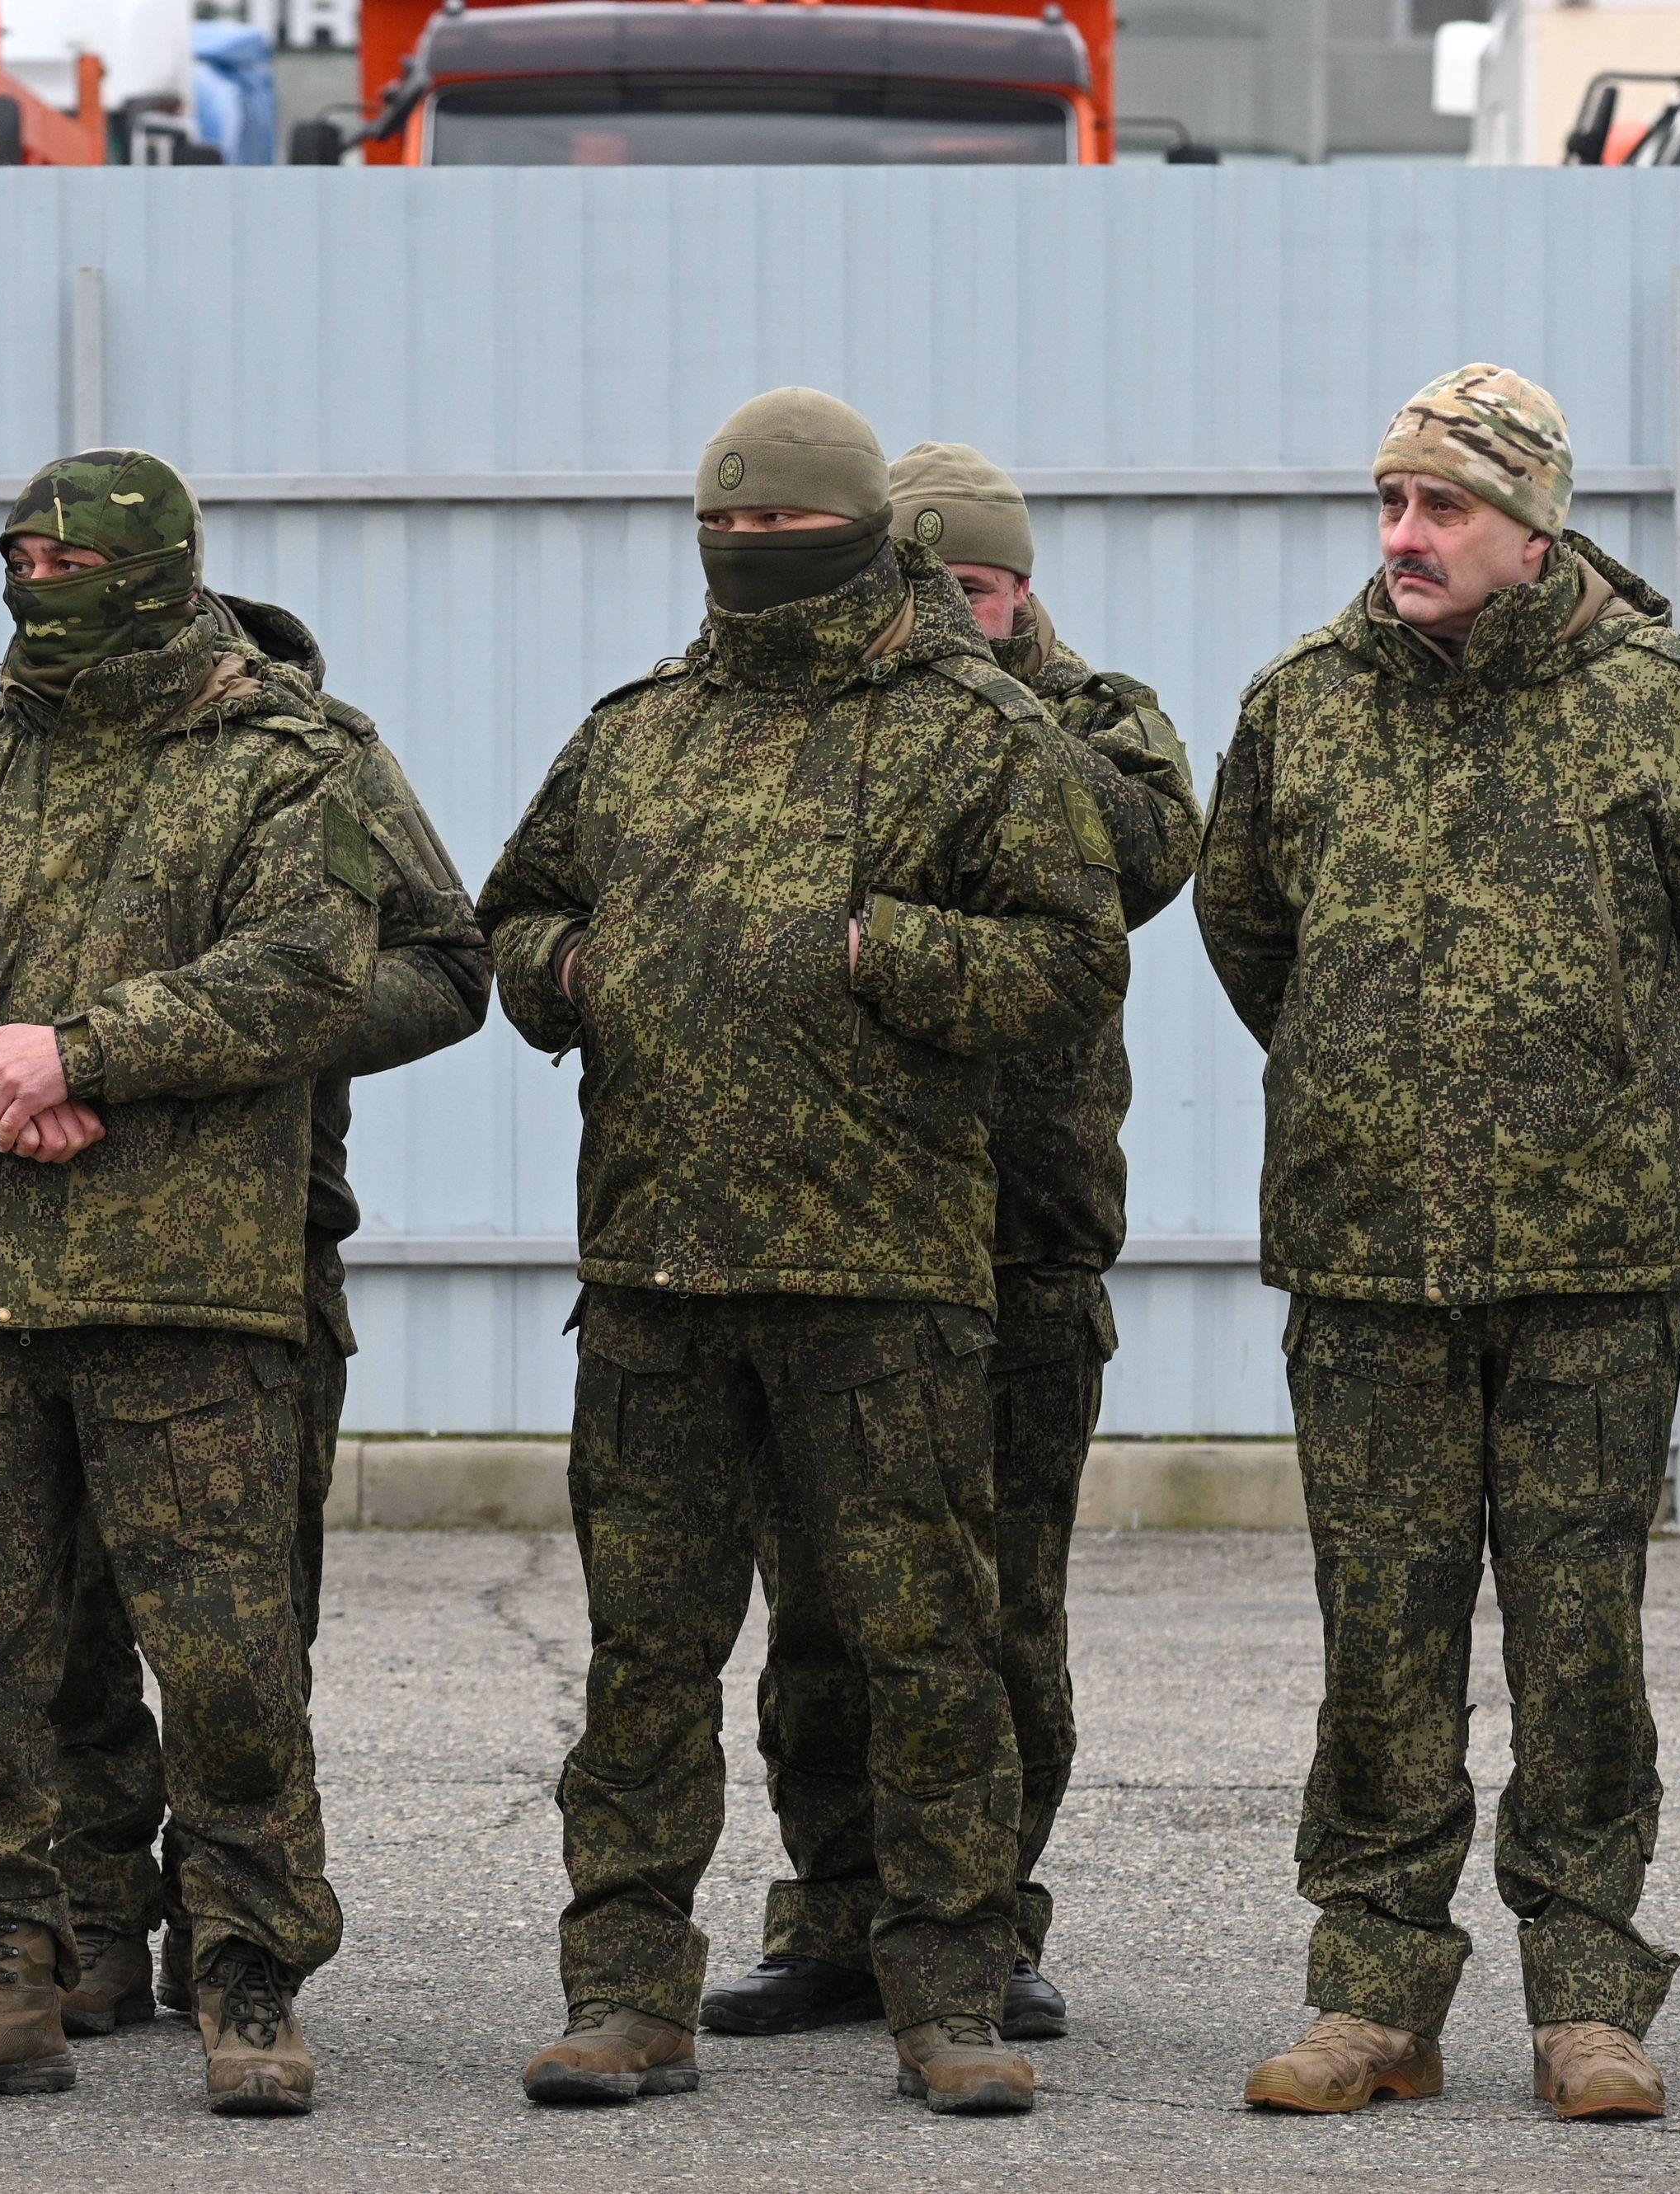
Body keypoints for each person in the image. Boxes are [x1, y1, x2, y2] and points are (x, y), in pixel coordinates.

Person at [478, 389, 1128, 2116]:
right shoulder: (634, 734)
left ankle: (947, 1988)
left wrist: (879, 946)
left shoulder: (973, 731)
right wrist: (577, 973)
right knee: (642, 1658)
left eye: (782, 530)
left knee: (928, 1649)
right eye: (726, 528)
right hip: (655, 1277)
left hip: (885, 1277)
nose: (751, 557)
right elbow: (509, 912)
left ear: (860, 536)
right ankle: (624, 1991)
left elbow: (1068, 962)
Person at [1199, 364, 1680, 2124]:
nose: (1402, 535)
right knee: (1375, 1632)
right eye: (1387, 502)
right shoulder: (1298, 706)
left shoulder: (1662, 701)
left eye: (1439, 506)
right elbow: (1247, 931)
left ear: (1530, 527)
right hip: (1363, 1252)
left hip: (1587, 1261)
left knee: (1576, 1634)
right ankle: (1369, 1990)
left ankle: (1587, 1994)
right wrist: (1359, 1085)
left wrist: (1598, 1076)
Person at [0, 449, 376, 2115]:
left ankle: (246, 1962)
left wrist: (80, 1048)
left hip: (188, 1286)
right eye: (15, 554)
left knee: (223, 1651)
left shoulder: (280, 761)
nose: (30, 580)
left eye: (60, 557)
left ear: (147, 565)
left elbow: (307, 962)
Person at [707, 444, 1198, 2046]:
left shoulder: (1098, 720)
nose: (941, 616)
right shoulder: (810, 717)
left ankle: (982, 1917)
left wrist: (968, 719)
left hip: (1019, 1244)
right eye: (911, 588)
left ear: (1016, 588)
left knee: (995, 1618)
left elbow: (1138, 851)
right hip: (839, 1233)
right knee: (826, 1613)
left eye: (967, 590)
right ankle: (833, 1915)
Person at [40, 586, 490, 2035]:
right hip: (51, 1247)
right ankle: (93, 1921)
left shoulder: (327, 766)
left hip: (256, 1262)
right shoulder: (30, 765)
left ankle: (232, 1933)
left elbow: (449, 966)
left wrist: (254, 1028)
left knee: (237, 1630)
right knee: (62, 1626)